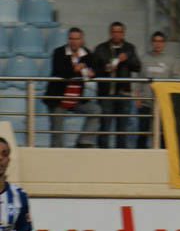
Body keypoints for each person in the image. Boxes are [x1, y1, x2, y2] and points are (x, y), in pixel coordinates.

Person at [43, 27, 101, 148]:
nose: (74, 41)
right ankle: (57, 153)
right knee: (57, 135)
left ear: (81, 40)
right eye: (71, 39)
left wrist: (93, 73)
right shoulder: (59, 52)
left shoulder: (86, 53)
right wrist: (74, 70)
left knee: (95, 110)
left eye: (77, 39)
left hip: (76, 99)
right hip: (59, 99)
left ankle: (84, 141)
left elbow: (96, 68)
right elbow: (58, 72)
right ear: (68, 39)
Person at [93, 21, 141, 149]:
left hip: (123, 94)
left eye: (119, 32)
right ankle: (102, 155)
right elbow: (94, 70)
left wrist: (127, 58)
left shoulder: (129, 48)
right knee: (104, 128)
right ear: (110, 33)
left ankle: (121, 156)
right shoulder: (101, 48)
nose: (116, 34)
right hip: (105, 94)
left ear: (123, 33)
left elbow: (137, 67)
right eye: (114, 31)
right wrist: (105, 68)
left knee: (122, 130)